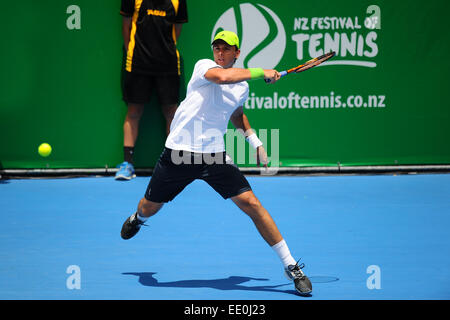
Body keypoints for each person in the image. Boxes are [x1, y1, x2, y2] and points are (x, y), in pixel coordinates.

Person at [120, 31, 312, 295]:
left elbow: (236, 115)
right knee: (150, 207)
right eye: (217, 48)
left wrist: (255, 143)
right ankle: (138, 218)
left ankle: (291, 265)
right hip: (179, 153)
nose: (220, 53)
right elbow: (223, 77)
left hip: (214, 155)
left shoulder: (242, 87)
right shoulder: (204, 67)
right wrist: (262, 71)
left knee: (252, 204)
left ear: (237, 53)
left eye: (226, 49)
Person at [116, 0, 188, 180]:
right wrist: (132, 51)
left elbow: (176, 30)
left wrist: (162, 50)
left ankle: (172, 164)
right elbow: (126, 25)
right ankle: (127, 164)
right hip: (137, 63)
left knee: (172, 112)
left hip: (168, 63)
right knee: (133, 111)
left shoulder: (179, 1)